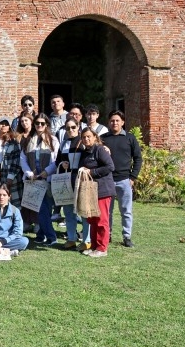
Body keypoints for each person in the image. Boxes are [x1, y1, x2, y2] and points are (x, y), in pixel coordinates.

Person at [101, 110, 143, 248]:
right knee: (107, 211)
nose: (114, 123)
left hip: (124, 180)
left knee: (126, 210)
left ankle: (127, 236)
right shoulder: (103, 139)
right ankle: (108, 235)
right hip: (107, 180)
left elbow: (138, 158)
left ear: (123, 122)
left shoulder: (130, 138)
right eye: (112, 120)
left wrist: (133, 177)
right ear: (108, 122)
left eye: (117, 120)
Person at [20, 114, 60, 246]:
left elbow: (56, 160)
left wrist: (46, 172)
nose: (39, 126)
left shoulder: (53, 140)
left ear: (47, 125)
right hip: (33, 180)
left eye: (42, 123)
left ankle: (51, 236)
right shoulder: (29, 140)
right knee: (40, 209)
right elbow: (23, 159)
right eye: (37, 123)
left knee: (44, 209)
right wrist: (29, 173)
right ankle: (41, 234)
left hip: (47, 179)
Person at [79, 128, 116, 257]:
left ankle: (102, 248)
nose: (86, 139)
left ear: (95, 137)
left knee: (101, 220)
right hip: (91, 191)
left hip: (103, 190)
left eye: (89, 136)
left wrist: (92, 172)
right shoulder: (85, 152)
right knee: (92, 219)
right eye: (84, 137)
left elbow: (110, 167)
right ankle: (94, 246)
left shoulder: (100, 149)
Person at [51, 117, 86, 250]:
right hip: (66, 181)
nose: (70, 130)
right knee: (68, 212)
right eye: (67, 128)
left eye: (73, 127)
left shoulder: (83, 142)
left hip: (79, 181)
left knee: (83, 212)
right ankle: (71, 238)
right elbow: (57, 162)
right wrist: (61, 164)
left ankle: (86, 239)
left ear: (78, 128)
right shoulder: (64, 143)